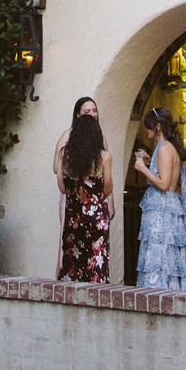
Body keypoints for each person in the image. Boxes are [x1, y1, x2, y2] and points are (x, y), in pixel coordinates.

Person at [133, 107, 186, 290]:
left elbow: (164, 183)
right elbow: (163, 171)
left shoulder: (166, 148)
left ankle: (160, 293)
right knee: (161, 255)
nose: (147, 131)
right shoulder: (165, 147)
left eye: (149, 127)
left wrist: (143, 170)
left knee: (161, 256)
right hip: (166, 207)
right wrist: (149, 161)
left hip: (164, 210)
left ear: (158, 126)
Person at [53, 97, 110, 274]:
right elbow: (107, 187)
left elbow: (62, 185)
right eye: (88, 112)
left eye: (95, 110)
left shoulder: (66, 154)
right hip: (95, 213)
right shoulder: (104, 156)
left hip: (75, 213)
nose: (93, 114)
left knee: (73, 263)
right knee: (95, 264)